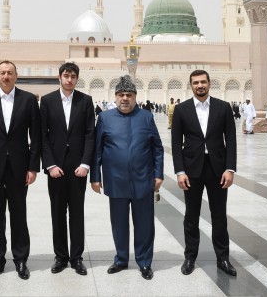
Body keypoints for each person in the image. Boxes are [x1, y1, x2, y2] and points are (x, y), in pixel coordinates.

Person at [0, 60, 41, 280]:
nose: (6, 76)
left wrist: (33, 167)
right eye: (2, 73)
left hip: (19, 168)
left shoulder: (28, 100)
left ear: (16, 75)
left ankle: (21, 259)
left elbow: (36, 137)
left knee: (19, 215)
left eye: (10, 73)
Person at [91, 75, 163, 281]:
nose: (125, 98)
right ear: (115, 97)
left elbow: (157, 149)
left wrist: (158, 174)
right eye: (121, 95)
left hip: (143, 180)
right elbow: (97, 151)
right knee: (119, 223)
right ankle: (121, 259)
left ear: (135, 97)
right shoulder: (105, 118)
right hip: (116, 180)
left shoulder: (146, 117)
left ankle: (144, 262)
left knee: (144, 224)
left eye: (129, 95)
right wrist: (95, 177)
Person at [171, 69, 237, 277]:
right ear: (190, 86)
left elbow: (231, 141)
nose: (200, 86)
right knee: (191, 215)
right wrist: (180, 171)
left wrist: (230, 168)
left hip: (217, 169)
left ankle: (223, 258)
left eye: (203, 82)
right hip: (192, 170)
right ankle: (190, 256)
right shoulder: (182, 110)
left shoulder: (223, 108)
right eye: (195, 83)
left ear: (209, 83)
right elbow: (175, 144)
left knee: (219, 215)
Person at [40, 62, 95, 276]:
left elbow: (91, 134)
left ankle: (77, 257)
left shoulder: (85, 101)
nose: (69, 79)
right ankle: (61, 256)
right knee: (58, 212)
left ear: (76, 78)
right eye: (66, 75)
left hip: (77, 168)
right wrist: (50, 165)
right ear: (59, 77)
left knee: (77, 213)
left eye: (73, 76)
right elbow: (42, 135)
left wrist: (85, 163)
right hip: (56, 168)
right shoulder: (47, 101)